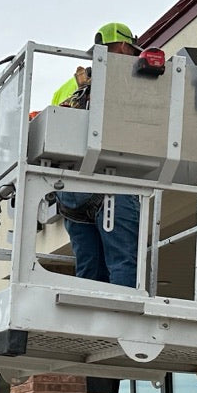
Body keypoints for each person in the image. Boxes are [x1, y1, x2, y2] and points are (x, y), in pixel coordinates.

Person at [51, 22, 142, 287]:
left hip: (70, 190)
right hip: (108, 179)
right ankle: (120, 322)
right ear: (124, 46)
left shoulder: (66, 87)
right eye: (133, 51)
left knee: (89, 273)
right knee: (123, 262)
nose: (135, 57)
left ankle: (87, 325)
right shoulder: (126, 76)